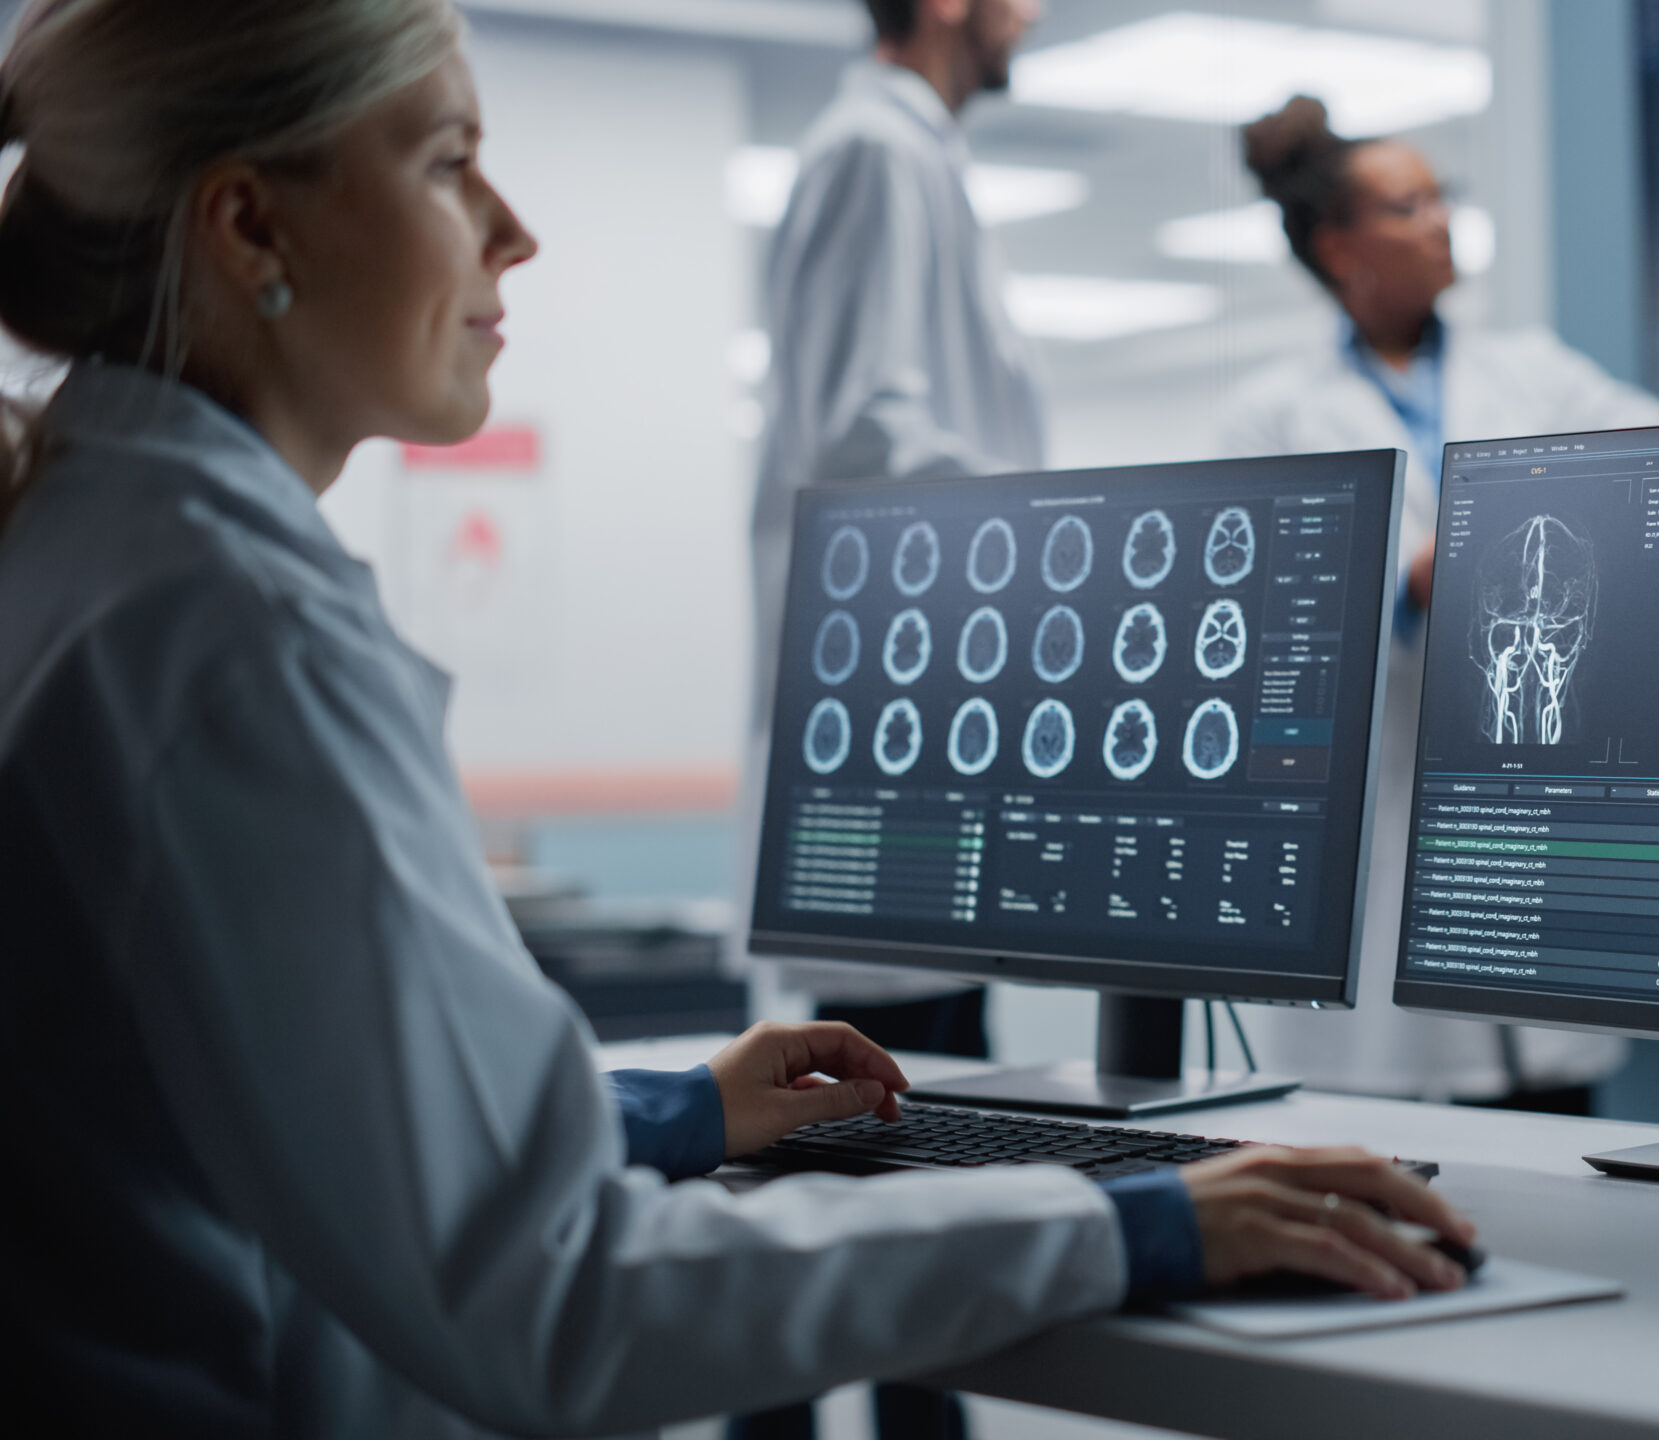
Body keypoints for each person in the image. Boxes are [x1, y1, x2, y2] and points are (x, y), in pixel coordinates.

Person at [0, 4, 1474, 1436]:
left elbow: (330, 1114)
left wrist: (663, 1116)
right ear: (251, 228)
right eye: (450, 162)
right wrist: (1126, 1222)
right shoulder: (235, 638)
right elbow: (557, 1300)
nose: (511, 229)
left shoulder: (97, 545)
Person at [1220, 97, 1659, 1111]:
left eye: (1443, 198)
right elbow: (1286, 615)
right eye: (1408, 206)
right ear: (1339, 246)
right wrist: (1421, 575)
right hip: (1374, 857)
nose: (1440, 222)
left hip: (1528, 861)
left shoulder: (1525, 371)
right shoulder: (1269, 415)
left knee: (1552, 1170)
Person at [735, 0, 1046, 1132]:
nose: (1037, 12)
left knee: (940, 1067)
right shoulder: (872, 149)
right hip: (885, 717)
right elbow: (863, 434)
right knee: (903, 1097)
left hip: (923, 713)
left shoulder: (914, 153)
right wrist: (1071, 533)